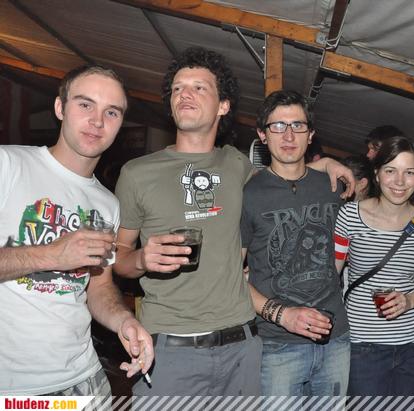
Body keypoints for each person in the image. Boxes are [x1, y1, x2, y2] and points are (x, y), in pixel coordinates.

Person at [113, 48, 353, 396]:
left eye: (198, 87)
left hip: (242, 347)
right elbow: (117, 257)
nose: (184, 94)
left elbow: (281, 176)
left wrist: (325, 164)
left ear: (223, 106)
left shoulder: (236, 165)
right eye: (178, 88)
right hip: (170, 347)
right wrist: (140, 259)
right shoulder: (137, 173)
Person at [0, 65, 153, 400]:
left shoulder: (108, 203)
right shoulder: (8, 165)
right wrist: (51, 255)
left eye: (111, 112)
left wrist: (123, 321)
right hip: (14, 388)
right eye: (85, 104)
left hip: (85, 378)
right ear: (60, 108)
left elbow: (98, 287)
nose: (97, 121)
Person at [241, 90, 350, 396]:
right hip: (277, 346)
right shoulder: (248, 194)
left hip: (336, 340)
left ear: (310, 134)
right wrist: (282, 315)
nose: (288, 136)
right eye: (278, 126)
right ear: (263, 135)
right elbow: (230, 274)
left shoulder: (334, 188)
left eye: (298, 125)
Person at [334, 136, 414, 395]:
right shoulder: (349, 215)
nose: (400, 181)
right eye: (391, 171)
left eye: (409, 172)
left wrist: (409, 300)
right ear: (376, 174)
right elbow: (330, 274)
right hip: (362, 346)